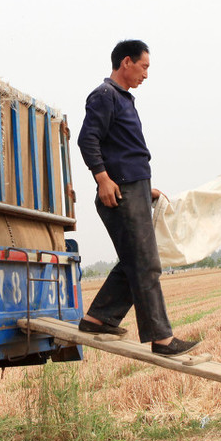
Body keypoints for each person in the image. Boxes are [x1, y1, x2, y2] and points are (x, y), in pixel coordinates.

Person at [75, 40, 200, 356]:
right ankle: (162, 339)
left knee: (135, 261)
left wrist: (147, 188)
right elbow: (87, 139)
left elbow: (124, 152)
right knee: (146, 264)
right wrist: (102, 178)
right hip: (119, 193)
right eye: (144, 67)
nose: (146, 74)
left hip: (135, 188)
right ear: (126, 62)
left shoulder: (123, 100)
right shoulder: (104, 96)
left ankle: (97, 318)